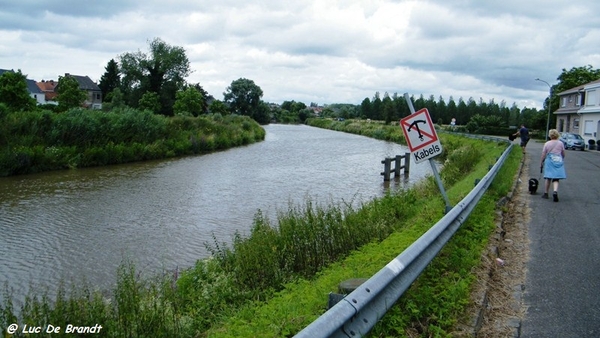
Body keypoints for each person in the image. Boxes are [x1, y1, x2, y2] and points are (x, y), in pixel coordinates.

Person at [540, 129, 566, 202]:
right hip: (558, 160)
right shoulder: (561, 143)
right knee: (556, 178)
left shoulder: (547, 143)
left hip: (549, 160)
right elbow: (563, 153)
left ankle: (546, 193)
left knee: (548, 177)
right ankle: (555, 191)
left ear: (550, 135)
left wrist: (541, 162)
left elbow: (543, 154)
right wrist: (562, 158)